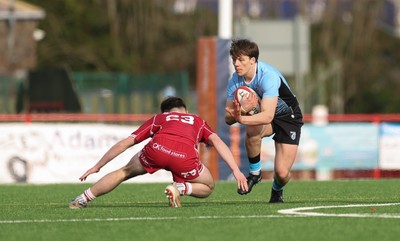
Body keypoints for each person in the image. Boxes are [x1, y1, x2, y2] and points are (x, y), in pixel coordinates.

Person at [69, 96, 248, 208]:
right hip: (183, 158)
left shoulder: (160, 118)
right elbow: (217, 141)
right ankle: (181, 188)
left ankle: (83, 198)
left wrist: (97, 166)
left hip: (157, 150)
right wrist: (236, 170)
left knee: (124, 172)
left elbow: (126, 143)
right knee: (208, 186)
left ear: (165, 112)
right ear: (186, 111)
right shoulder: (197, 121)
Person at [225, 39, 303, 203]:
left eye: (241, 60)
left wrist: (242, 118)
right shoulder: (235, 81)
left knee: (282, 174)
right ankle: (255, 173)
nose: (236, 64)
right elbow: (228, 118)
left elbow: (267, 115)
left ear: (253, 60)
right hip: (269, 117)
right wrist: (239, 114)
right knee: (252, 129)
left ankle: (277, 189)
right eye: (234, 60)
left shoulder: (268, 76)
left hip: (289, 117)